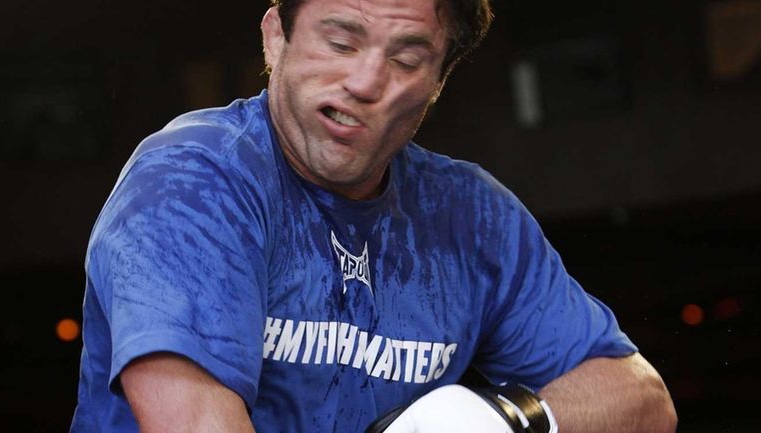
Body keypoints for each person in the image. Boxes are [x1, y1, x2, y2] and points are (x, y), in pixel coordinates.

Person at [70, 0, 677, 432]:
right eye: (340, 41)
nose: (366, 81)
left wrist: (498, 421)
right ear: (275, 36)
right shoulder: (191, 183)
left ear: (439, 81)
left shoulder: (474, 217)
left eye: (408, 60)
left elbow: (641, 399)